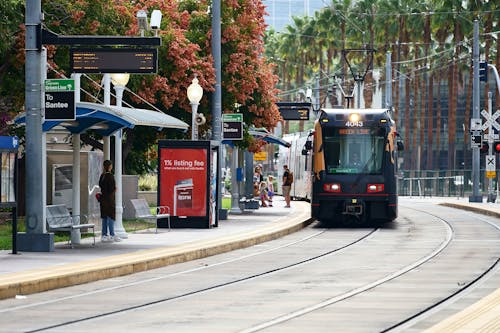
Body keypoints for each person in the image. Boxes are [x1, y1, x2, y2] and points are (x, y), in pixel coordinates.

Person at [98, 160, 121, 242]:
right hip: (110, 200)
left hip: (103, 199)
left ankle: (104, 235)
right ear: (110, 166)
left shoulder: (102, 176)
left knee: (104, 217)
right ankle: (112, 234)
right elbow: (112, 188)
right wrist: (115, 189)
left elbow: (101, 185)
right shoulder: (110, 176)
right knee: (111, 217)